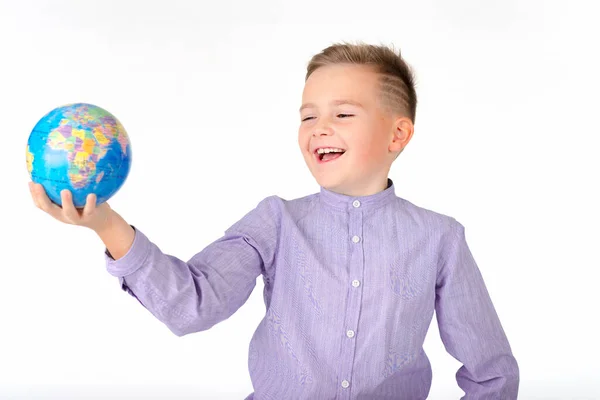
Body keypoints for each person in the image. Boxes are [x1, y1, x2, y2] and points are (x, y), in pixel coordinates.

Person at [29, 42, 519, 399]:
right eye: (308, 116)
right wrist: (108, 226)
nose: (319, 128)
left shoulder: (440, 238)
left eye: (343, 114)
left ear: (398, 134)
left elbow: (491, 373)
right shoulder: (277, 221)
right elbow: (194, 304)